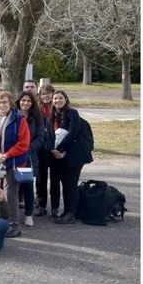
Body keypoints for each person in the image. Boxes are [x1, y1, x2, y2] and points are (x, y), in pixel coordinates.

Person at [0, 91, 31, 237]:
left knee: (10, 194)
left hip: (13, 163)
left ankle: (13, 224)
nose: (2, 105)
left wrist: (7, 155)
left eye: (5, 102)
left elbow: (24, 143)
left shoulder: (19, 120)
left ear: (10, 103)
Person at [49, 90, 93, 224]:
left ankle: (71, 213)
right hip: (60, 156)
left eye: (60, 98)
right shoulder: (53, 115)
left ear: (66, 99)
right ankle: (67, 211)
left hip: (74, 155)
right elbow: (51, 135)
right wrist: (54, 150)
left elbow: (73, 132)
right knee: (65, 183)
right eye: (55, 98)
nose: (57, 101)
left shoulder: (72, 113)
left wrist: (60, 149)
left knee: (71, 184)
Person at [17, 90, 49, 226]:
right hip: (13, 157)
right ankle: (10, 215)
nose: (26, 103)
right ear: (18, 101)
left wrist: (28, 148)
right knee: (12, 188)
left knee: (28, 187)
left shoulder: (37, 117)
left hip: (28, 157)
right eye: (23, 100)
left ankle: (28, 214)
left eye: (29, 101)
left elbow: (40, 136)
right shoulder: (13, 115)